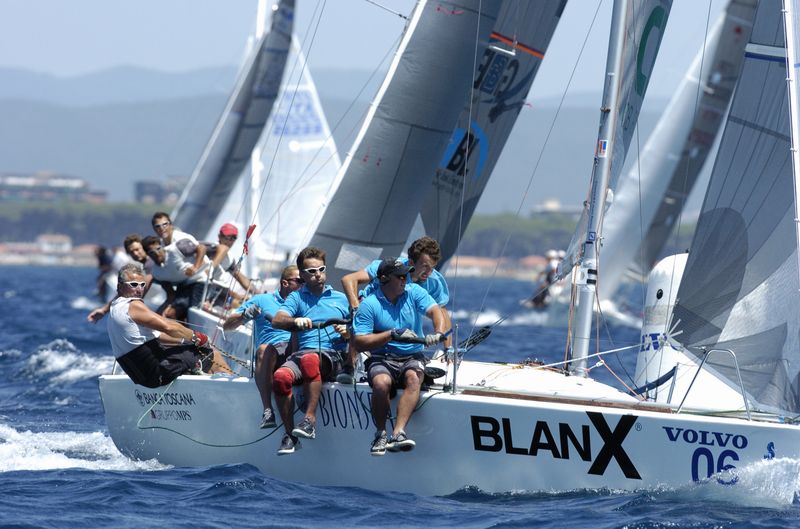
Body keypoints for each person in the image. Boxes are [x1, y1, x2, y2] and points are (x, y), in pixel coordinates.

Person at [352, 258, 446, 456]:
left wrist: (437, 332)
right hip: (382, 357)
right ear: (384, 279)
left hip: (412, 355)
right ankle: (380, 434)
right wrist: (391, 334)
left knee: (414, 378)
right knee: (381, 383)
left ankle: (398, 433)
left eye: (406, 276)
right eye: (400, 276)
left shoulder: (414, 292)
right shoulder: (369, 304)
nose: (405, 279)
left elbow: (435, 311)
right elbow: (359, 342)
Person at [270, 246, 350, 455]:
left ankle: (309, 420)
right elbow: (278, 320)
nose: (318, 275)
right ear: (302, 275)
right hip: (303, 355)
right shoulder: (296, 298)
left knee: (309, 360)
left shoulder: (341, 298)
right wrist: (295, 320)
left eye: (321, 269)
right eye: (312, 271)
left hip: (332, 356)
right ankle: (290, 435)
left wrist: (348, 332)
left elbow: (361, 330)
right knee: (280, 377)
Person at [107, 263, 232, 388]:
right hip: (159, 374)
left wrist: (185, 341)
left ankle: (197, 378)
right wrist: (199, 337)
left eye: (142, 285)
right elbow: (170, 327)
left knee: (190, 349)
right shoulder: (133, 305)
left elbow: (158, 336)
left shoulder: (115, 308)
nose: (139, 289)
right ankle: (232, 389)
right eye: (134, 284)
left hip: (143, 378)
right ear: (119, 286)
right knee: (211, 354)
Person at [222, 265, 303, 428]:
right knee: (264, 350)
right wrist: (245, 315)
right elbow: (227, 326)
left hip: (298, 350)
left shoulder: (305, 301)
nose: (304, 284)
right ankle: (267, 410)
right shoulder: (261, 300)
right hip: (272, 353)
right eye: (300, 281)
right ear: (285, 283)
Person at [341, 236, 452, 346]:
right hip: (369, 316)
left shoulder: (434, 281)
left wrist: (446, 344)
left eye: (432, 267)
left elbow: (441, 311)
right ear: (411, 262)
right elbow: (349, 280)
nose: (429, 272)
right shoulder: (387, 267)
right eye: (425, 266)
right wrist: (356, 310)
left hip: (396, 323)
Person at [143, 220, 210, 321]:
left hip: (199, 282)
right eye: (152, 252)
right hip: (182, 288)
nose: (157, 253)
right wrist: (160, 313)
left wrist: (195, 267)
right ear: (148, 255)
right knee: (168, 314)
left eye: (158, 249)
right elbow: (171, 294)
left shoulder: (176, 249)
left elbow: (202, 248)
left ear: (162, 247)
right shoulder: (156, 273)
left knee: (188, 313)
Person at [87, 234, 158, 323]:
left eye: (137, 249)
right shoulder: (140, 266)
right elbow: (125, 292)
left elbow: (141, 289)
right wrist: (104, 310)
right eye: (131, 252)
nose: (135, 253)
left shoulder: (151, 263)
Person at [205, 223, 254, 304]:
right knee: (234, 302)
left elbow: (241, 278)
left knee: (241, 304)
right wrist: (235, 295)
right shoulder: (211, 248)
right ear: (219, 236)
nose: (229, 241)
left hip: (216, 292)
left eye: (233, 238)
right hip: (202, 288)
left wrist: (259, 293)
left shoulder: (229, 258)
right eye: (227, 237)